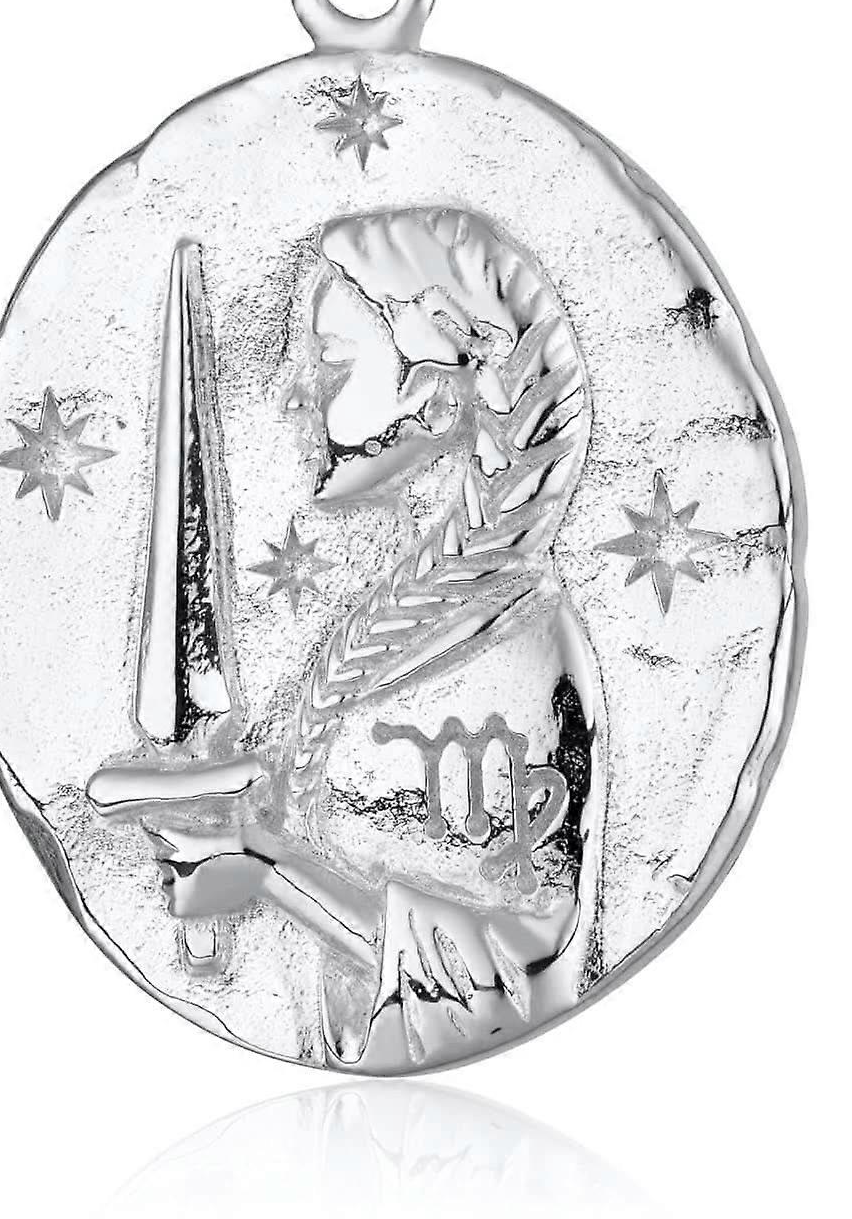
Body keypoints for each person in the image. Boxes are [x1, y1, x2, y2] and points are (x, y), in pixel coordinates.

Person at [115, 208, 606, 1071]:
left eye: (331, 361)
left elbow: (536, 977)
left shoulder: (523, 649)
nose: (292, 393)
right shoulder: (394, 623)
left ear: (432, 393)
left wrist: (272, 874)